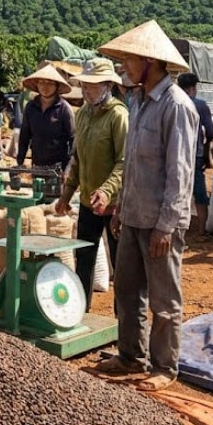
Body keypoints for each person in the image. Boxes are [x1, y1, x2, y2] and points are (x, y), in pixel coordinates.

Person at [95, 20, 197, 392]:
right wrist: (120, 207)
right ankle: (129, 355)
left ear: (150, 63)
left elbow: (180, 172)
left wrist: (166, 226)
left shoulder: (176, 106)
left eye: (129, 60)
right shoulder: (137, 101)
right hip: (134, 213)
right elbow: (133, 164)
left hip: (160, 220)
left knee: (164, 298)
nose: (123, 67)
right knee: (126, 289)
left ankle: (164, 367)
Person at [54, 58, 128, 310]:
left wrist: (107, 192)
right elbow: (78, 159)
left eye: (93, 86)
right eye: (84, 85)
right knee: (83, 259)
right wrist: (66, 194)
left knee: (122, 265)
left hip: (115, 207)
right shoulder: (83, 114)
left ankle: (124, 323)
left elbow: (124, 162)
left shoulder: (119, 116)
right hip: (87, 202)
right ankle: (80, 312)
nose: (86, 91)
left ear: (108, 85)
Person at [177, 73, 213, 236]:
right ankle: (201, 231)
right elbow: (211, 131)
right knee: (199, 192)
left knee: (178, 192)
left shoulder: (173, 103)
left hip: (175, 156)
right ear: (193, 88)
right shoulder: (200, 105)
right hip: (195, 155)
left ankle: (178, 230)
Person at [17, 64, 75, 170]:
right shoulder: (31, 107)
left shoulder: (64, 109)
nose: (45, 86)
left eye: (50, 83)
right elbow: (24, 136)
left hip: (58, 167)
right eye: (42, 82)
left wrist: (69, 168)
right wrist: (19, 161)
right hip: (37, 164)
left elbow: (72, 139)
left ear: (57, 86)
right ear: (37, 85)